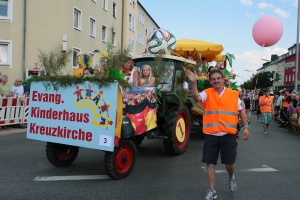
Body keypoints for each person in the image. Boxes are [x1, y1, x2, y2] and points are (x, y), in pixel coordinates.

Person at [185, 68, 250, 200]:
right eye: (213, 79)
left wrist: (246, 127)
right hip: (211, 134)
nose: (216, 81)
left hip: (229, 134)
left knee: (230, 165)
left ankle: (231, 178)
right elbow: (197, 98)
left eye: (218, 78)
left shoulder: (233, 94)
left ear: (223, 79)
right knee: (210, 163)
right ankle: (212, 190)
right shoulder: (207, 93)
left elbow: (241, 110)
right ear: (210, 81)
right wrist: (194, 83)